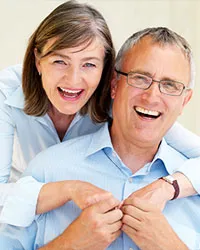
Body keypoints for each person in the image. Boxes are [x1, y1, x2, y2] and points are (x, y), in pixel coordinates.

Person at [0, 0, 200, 228]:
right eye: (59, 61)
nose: (73, 80)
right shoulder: (6, 92)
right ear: (38, 60)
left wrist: (167, 187)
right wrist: (67, 189)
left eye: (89, 65)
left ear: (106, 71)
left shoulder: (126, 102)